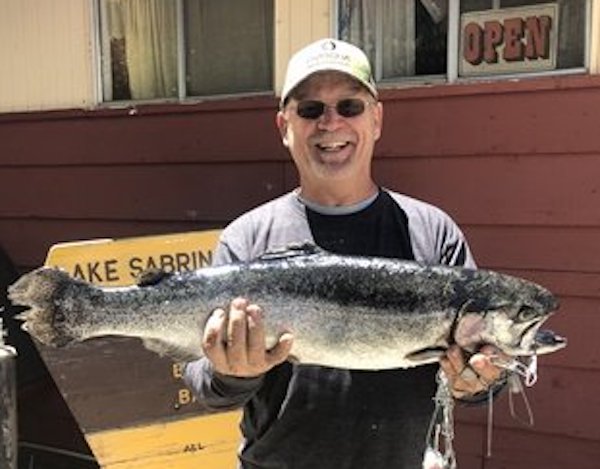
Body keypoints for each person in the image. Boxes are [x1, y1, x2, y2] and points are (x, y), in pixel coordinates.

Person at [184, 38, 506, 468]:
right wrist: (231, 373)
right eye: (310, 109)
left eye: (349, 107)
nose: (330, 123)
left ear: (376, 119)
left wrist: (480, 382)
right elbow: (203, 381)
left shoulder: (433, 234)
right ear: (284, 126)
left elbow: (481, 367)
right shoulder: (247, 239)